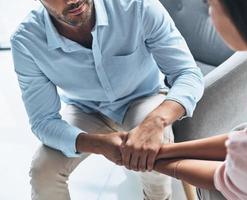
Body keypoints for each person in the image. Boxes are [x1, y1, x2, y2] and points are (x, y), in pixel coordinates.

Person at [10, 0, 203, 199]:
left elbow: (187, 73)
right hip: (85, 108)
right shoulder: (26, 41)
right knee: (43, 170)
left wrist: (155, 122)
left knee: (156, 143)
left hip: (144, 96)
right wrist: (96, 143)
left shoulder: (137, 5)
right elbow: (43, 120)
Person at [152, 0, 247, 199]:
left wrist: (146, 158)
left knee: (214, 192)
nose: (206, 7)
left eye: (211, 4)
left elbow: (225, 179)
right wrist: (165, 151)